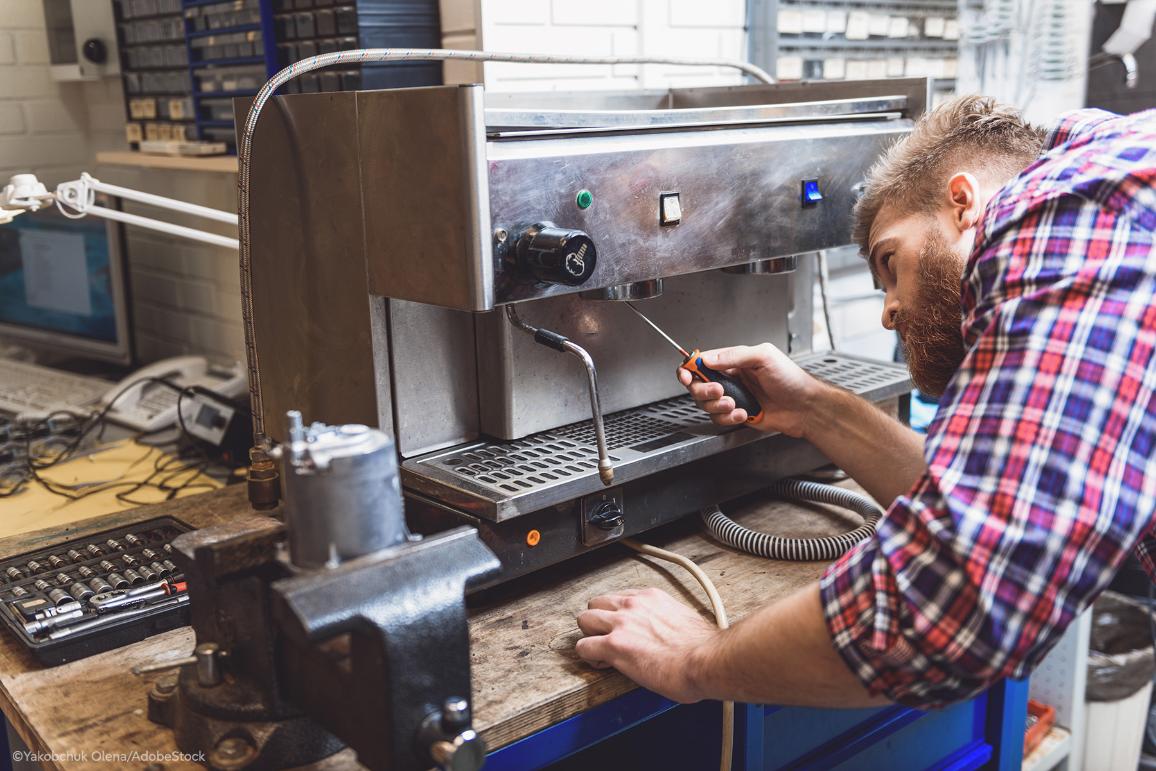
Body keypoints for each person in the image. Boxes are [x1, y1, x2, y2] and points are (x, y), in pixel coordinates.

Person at [574, 96, 1156, 709]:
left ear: (964, 202)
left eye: (890, 261)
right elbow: (999, 497)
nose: (888, 312)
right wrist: (815, 409)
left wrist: (693, 659)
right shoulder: (1117, 180)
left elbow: (953, 603)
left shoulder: (1069, 209)